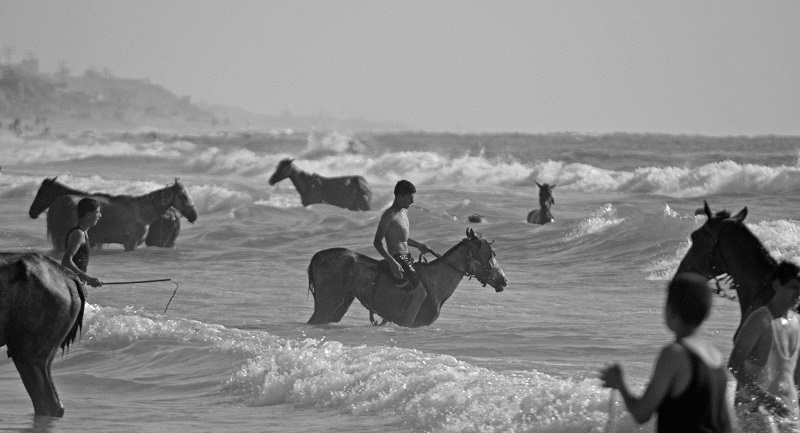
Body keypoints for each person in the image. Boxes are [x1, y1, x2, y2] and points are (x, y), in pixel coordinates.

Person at [600, 272, 732, 432]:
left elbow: (641, 414)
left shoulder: (674, 354)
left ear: (670, 310)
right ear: (707, 312)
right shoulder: (716, 355)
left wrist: (620, 382)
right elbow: (725, 422)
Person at [728, 260, 800, 432]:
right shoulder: (760, 320)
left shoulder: (798, 322)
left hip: (788, 411)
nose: (799, 293)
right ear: (776, 285)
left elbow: (796, 374)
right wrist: (764, 398)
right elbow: (734, 364)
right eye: (794, 287)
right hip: (755, 411)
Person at [373, 180, 431, 327]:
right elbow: (377, 242)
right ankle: (406, 330)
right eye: (409, 198)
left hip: (407, 257)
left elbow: (402, 239)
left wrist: (419, 245)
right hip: (398, 259)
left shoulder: (404, 212)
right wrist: (392, 262)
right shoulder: (389, 215)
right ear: (399, 197)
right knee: (421, 293)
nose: (412, 201)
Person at [62, 197, 103, 287]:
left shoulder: (82, 232)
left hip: (75, 285)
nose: (100, 215)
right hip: (72, 286)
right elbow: (66, 262)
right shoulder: (78, 234)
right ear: (88, 214)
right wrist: (88, 279)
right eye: (97, 212)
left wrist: (85, 280)